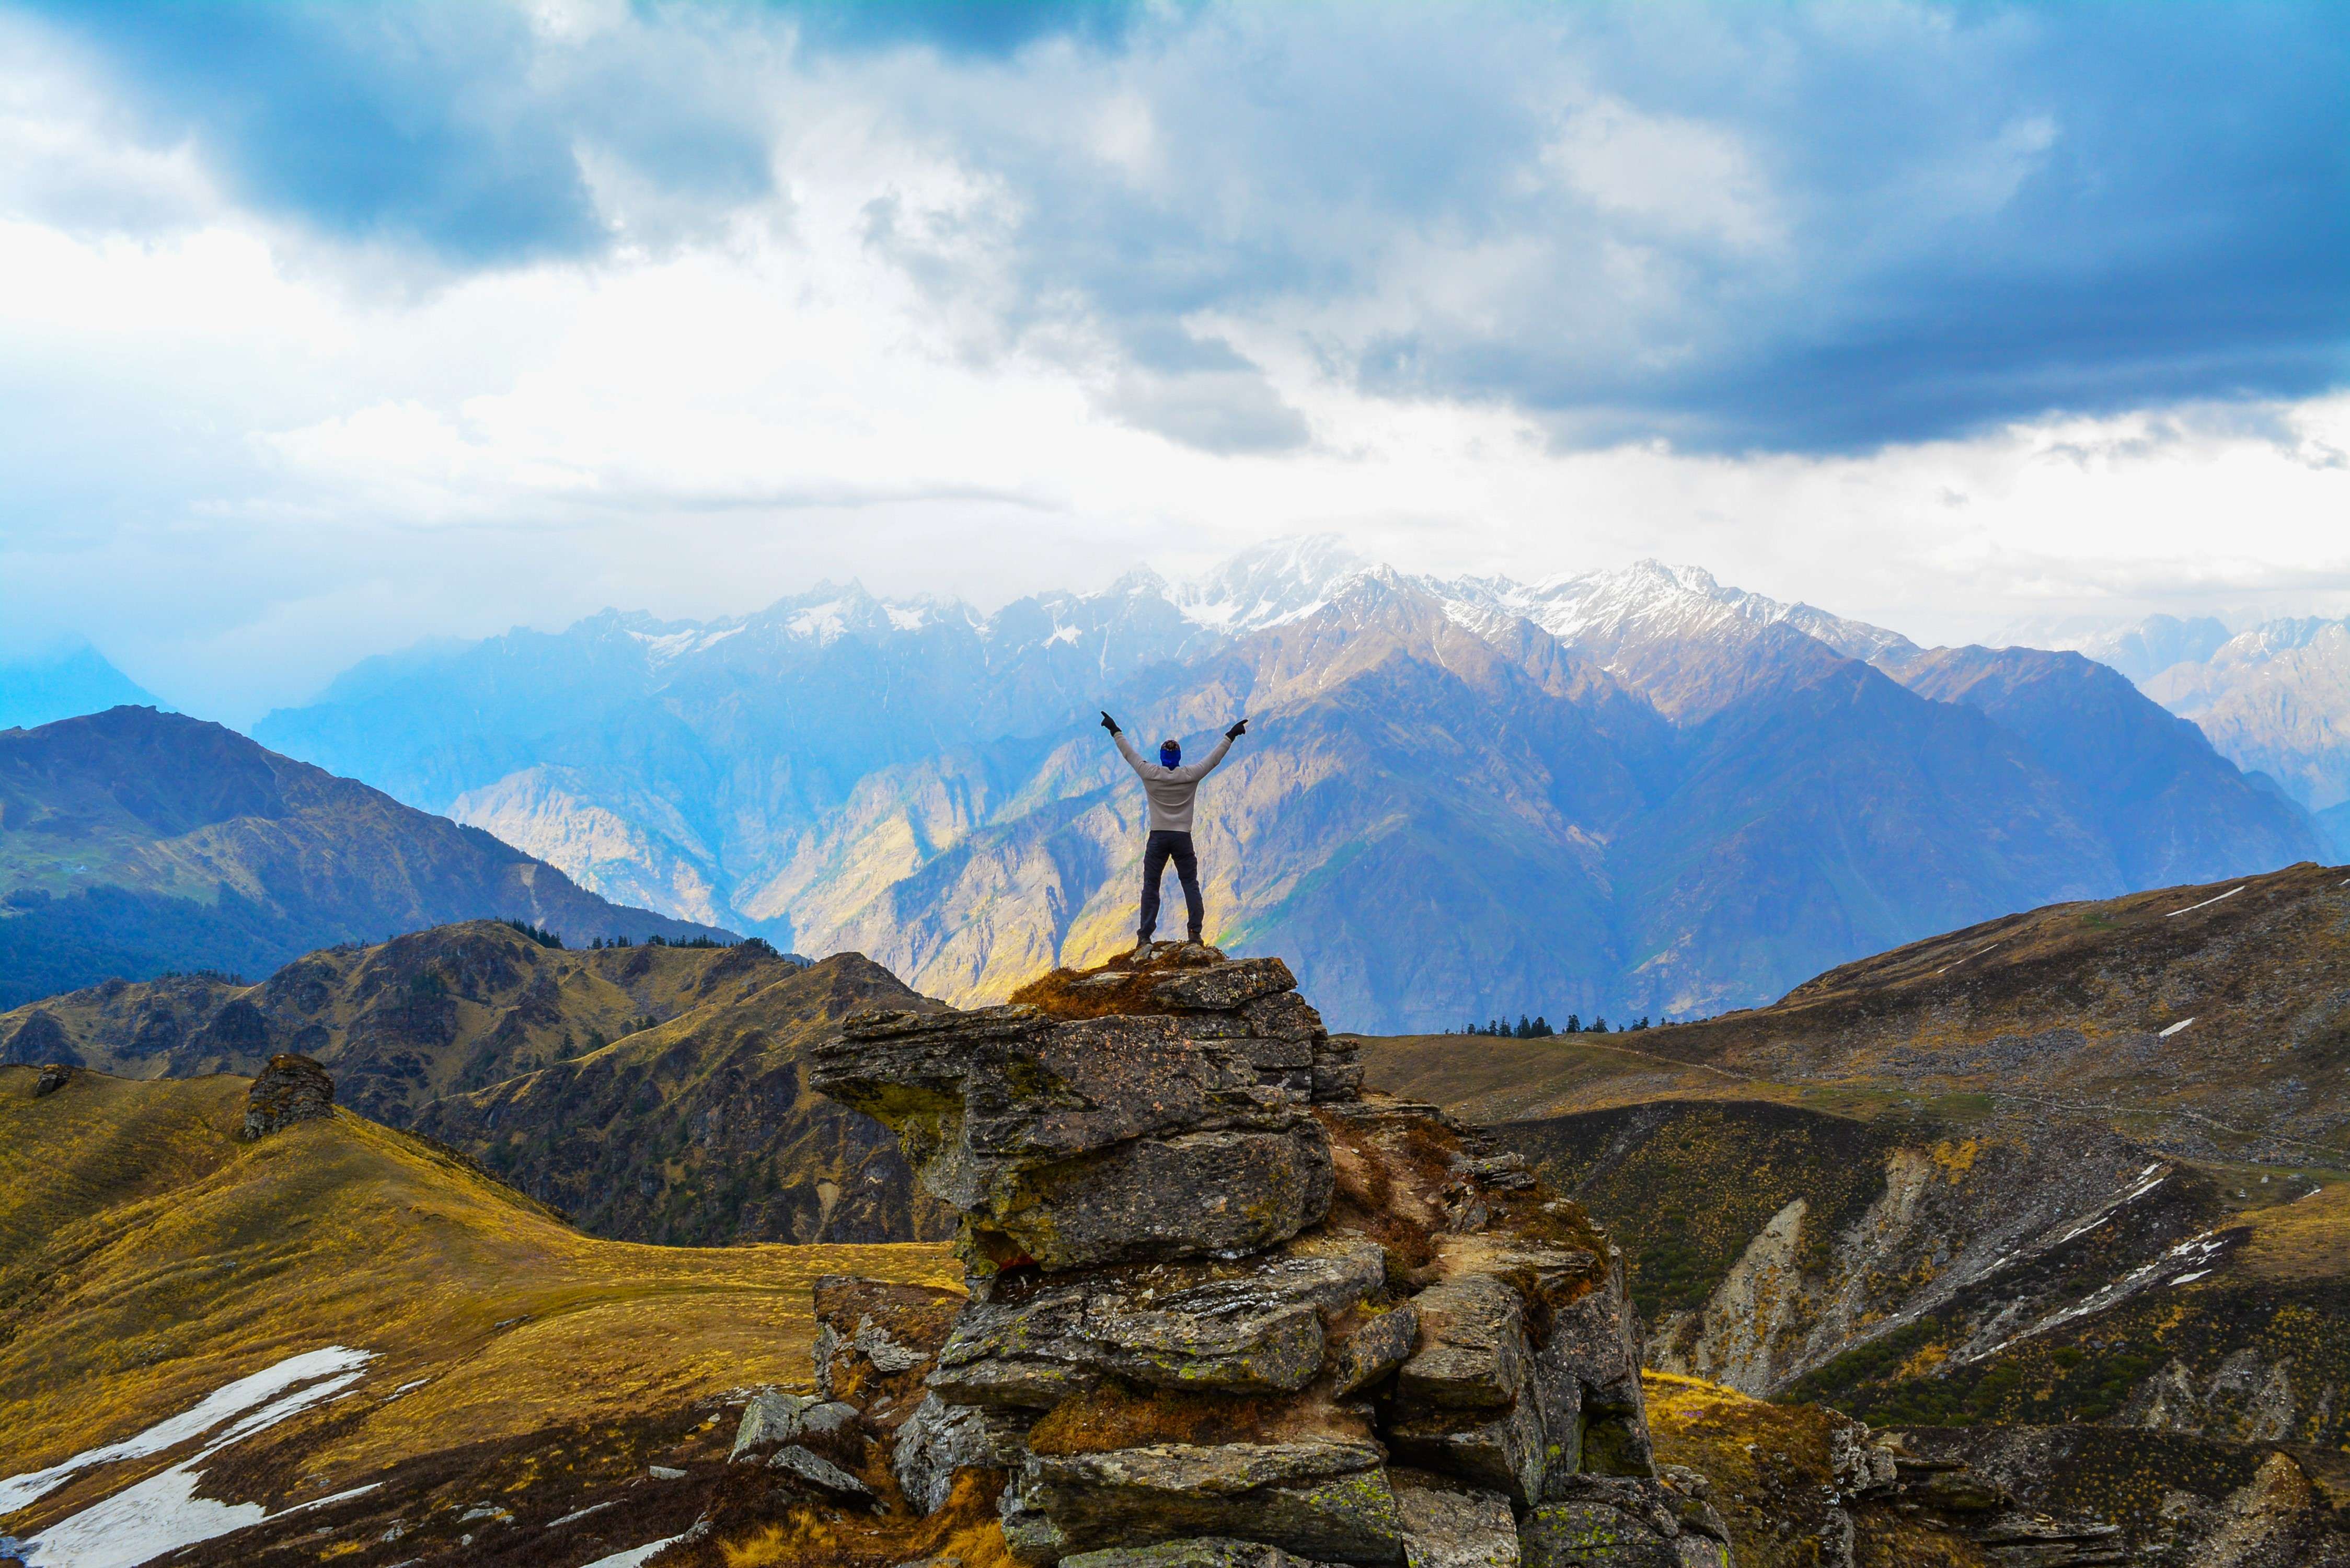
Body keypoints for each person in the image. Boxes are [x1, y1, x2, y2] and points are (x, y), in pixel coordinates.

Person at [1099, 709, 1248, 948]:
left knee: (1151, 885)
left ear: (1161, 757)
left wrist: (1114, 729)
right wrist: (1231, 735)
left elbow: (1129, 754)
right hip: (1182, 838)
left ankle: (1145, 936)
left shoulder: (1150, 774)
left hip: (1158, 838)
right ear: (1179, 757)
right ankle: (1195, 934)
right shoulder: (1190, 775)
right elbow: (1214, 759)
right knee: (1190, 883)